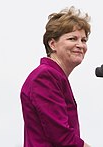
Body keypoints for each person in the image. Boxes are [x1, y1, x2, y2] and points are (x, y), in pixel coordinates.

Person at [20, 6, 91, 147]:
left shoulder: (55, 77)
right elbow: (61, 137)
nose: (80, 45)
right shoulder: (45, 77)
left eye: (83, 40)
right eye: (72, 39)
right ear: (52, 44)